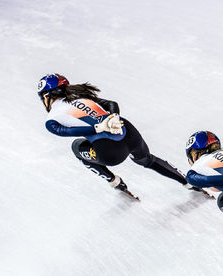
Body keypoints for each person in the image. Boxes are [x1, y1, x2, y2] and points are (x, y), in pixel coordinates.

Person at [37, 73, 189, 195]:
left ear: (45, 97)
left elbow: (68, 131)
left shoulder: (51, 119)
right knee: (148, 160)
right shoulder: (81, 96)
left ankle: (113, 180)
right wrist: (113, 118)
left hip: (109, 152)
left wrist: (98, 128)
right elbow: (112, 104)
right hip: (128, 132)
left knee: (76, 147)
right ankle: (187, 182)